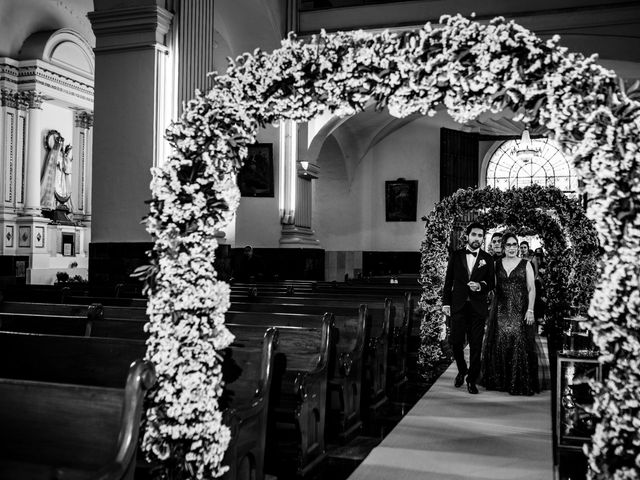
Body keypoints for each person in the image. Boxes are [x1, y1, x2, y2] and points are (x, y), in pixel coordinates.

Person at [482, 233, 539, 395]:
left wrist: (531, 310)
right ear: (504, 247)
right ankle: (500, 380)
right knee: (500, 342)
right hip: (500, 310)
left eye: (515, 245)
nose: (512, 248)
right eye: (509, 245)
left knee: (518, 342)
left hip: (520, 309)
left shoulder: (526, 264)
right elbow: (490, 284)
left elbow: (531, 288)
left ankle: (518, 380)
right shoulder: (496, 264)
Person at [442, 222, 495, 394]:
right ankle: (462, 369)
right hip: (458, 306)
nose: (477, 238)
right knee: (456, 342)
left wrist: (480, 286)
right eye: (474, 235)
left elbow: (491, 283)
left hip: (477, 308)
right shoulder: (456, 255)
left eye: (480, 236)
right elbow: (448, 281)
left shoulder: (487, 258)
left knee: (476, 345)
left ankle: (471, 379)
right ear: (468, 235)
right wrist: (446, 303)